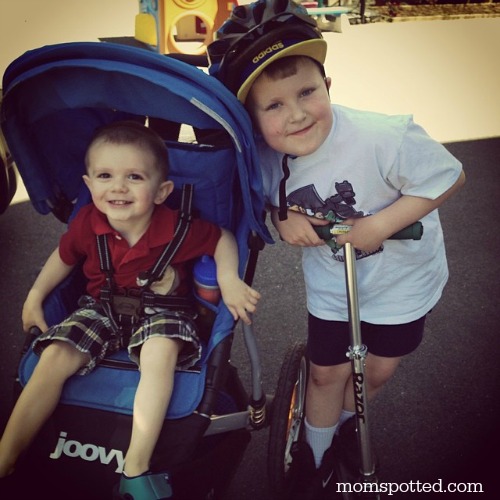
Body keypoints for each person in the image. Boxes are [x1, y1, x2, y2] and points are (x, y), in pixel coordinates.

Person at [208, 0, 465, 497]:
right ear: (253, 117)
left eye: (307, 92)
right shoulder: (262, 158)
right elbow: (259, 201)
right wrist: (281, 215)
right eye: (274, 105)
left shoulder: (382, 136)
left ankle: (349, 422)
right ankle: (316, 456)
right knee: (327, 374)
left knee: (375, 372)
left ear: (328, 86)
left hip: (400, 281)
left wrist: (382, 224)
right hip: (333, 281)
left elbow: (447, 175)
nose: (297, 114)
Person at [0, 121, 261, 497]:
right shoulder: (89, 224)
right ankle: (7, 455)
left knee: (159, 352)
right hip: (102, 308)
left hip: (164, 312)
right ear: (89, 186)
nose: (118, 187)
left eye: (134, 177)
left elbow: (221, 239)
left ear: (161, 191)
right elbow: (63, 258)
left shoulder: (176, 228)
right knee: (54, 355)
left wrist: (230, 279)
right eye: (105, 175)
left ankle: (135, 466)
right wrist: (34, 295)